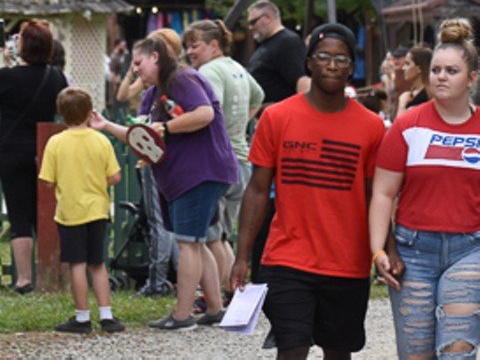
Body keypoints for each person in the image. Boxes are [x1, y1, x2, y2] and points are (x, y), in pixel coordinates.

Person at [231, 23, 386, 358]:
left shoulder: (372, 127)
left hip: (347, 262)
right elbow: (257, 190)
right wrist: (242, 255)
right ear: (310, 62)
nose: (332, 65)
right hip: (288, 258)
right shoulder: (277, 117)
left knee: (338, 351)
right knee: (292, 347)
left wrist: (384, 251)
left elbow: (378, 197)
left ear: (351, 67)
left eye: (342, 59)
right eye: (324, 56)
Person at [90, 31, 238, 330]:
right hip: (189, 176)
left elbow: (205, 113)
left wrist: (168, 127)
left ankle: (182, 316)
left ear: (155, 57)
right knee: (200, 242)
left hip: (200, 173)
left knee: (188, 244)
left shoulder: (182, 79)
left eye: (138, 62)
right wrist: (105, 125)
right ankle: (214, 308)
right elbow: (142, 134)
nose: (134, 69)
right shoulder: (152, 94)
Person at [370, 19, 480, 359]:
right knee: (416, 353)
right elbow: (383, 194)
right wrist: (377, 250)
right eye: (435, 70)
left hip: (470, 249)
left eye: (452, 70)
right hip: (413, 250)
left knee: (457, 351)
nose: (441, 77)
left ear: (472, 78)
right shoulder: (408, 124)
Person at [0, 20, 67, 294]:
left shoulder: (7, 77)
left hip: (13, 151)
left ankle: (24, 280)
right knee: (46, 214)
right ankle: (51, 274)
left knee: (19, 215)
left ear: (23, 45)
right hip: (45, 151)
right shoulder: (56, 76)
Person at [183, 19, 264, 293]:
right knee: (223, 237)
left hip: (217, 162)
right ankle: (232, 293)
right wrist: (239, 124)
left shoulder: (209, 71)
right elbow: (258, 95)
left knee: (210, 238)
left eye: (195, 46)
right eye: (187, 46)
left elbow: (206, 112)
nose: (189, 52)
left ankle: (219, 294)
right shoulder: (236, 67)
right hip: (241, 161)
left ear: (213, 45)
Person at [39, 88, 125, 334]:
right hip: (97, 210)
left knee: (77, 264)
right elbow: (115, 176)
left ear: (60, 114)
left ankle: (82, 317)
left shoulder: (55, 143)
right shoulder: (101, 140)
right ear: (90, 112)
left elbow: (47, 181)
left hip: (70, 211)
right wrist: (97, 182)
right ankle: (107, 315)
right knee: (97, 263)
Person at [116, 28, 181, 296]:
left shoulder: (169, 87)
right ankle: (182, 280)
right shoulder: (152, 85)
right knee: (171, 224)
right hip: (152, 151)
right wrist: (134, 70)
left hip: (158, 156)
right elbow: (122, 96)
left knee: (160, 221)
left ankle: (157, 281)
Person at [246, 0, 308, 105]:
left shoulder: (288, 42)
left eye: (253, 22)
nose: (250, 27)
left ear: (268, 17)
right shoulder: (268, 43)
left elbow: (303, 82)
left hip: (280, 114)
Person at [393, 44, 432, 119]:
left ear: (419, 68)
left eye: (407, 64)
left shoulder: (425, 97)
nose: (403, 68)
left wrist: (402, 105)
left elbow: (400, 128)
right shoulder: (413, 93)